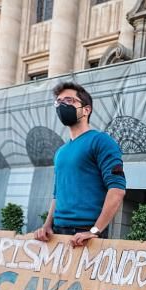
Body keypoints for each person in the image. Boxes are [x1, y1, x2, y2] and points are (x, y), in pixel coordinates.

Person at [35, 82, 126, 246]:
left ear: (86, 110)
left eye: (69, 101)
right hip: (57, 232)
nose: (62, 105)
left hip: (86, 232)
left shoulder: (101, 141)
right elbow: (57, 193)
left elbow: (117, 190)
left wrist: (94, 231)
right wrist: (47, 224)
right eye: (59, 101)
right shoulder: (61, 151)